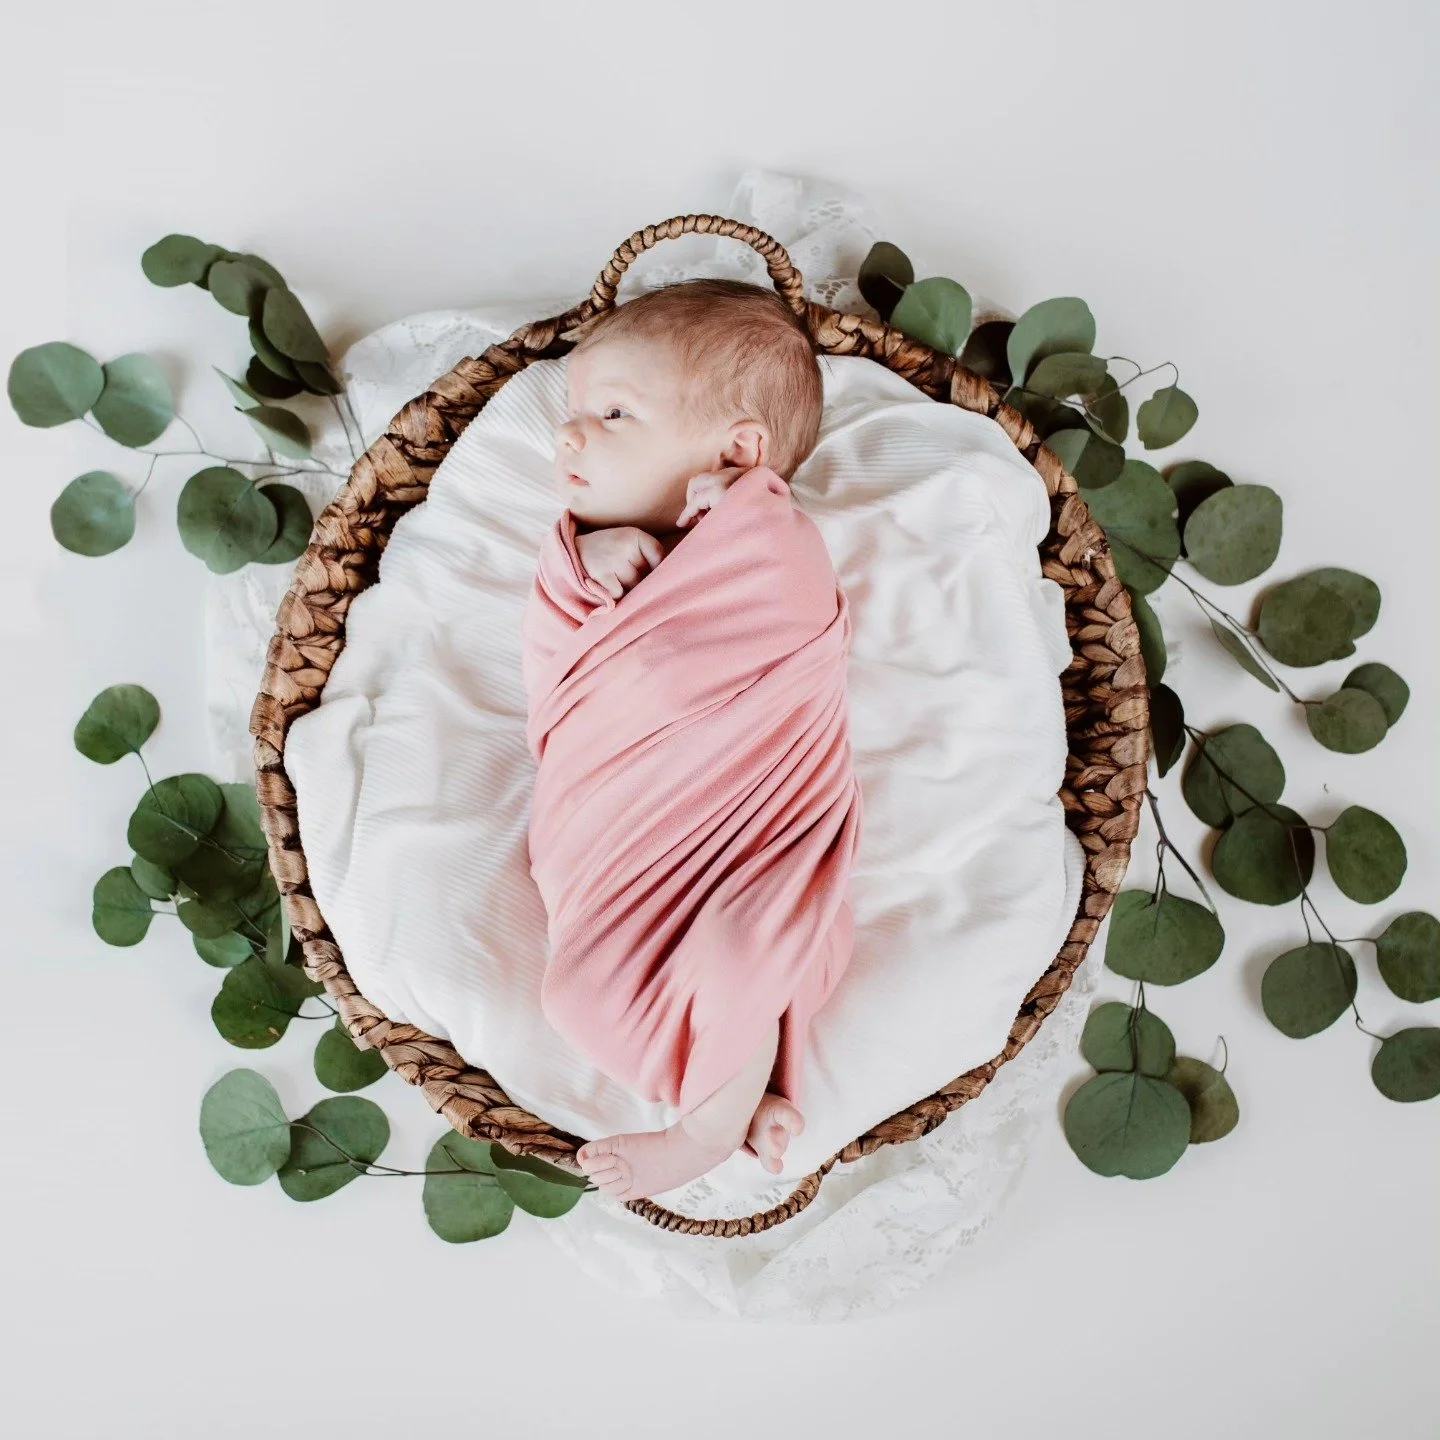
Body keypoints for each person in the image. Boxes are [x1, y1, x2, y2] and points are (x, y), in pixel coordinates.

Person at [522, 278, 862, 1203]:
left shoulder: (774, 548)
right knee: (577, 998)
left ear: (740, 452)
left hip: (754, 847)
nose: (571, 434)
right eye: (573, 412)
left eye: (614, 412)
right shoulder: (589, 565)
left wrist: (749, 512)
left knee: (741, 948)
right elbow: (557, 672)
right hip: (626, 845)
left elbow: (789, 618)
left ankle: (705, 1132)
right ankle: (741, 1091)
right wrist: (579, 569)